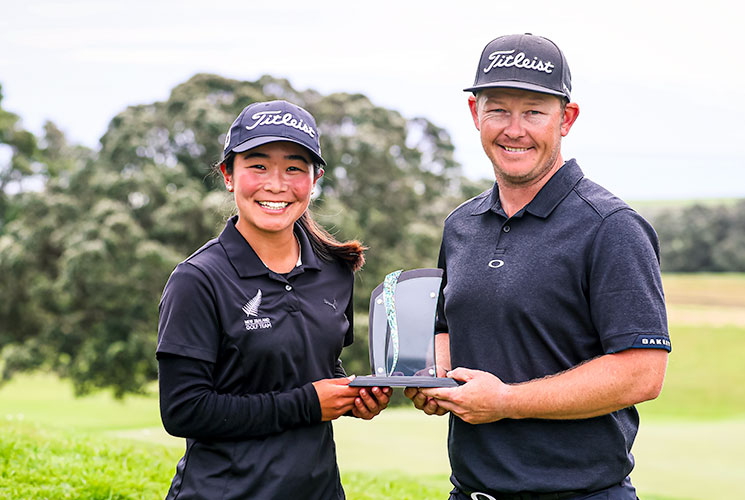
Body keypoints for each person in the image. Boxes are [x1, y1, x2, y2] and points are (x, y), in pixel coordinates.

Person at [405, 34, 671, 500]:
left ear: (565, 119)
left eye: (533, 111)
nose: (514, 128)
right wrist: (436, 378)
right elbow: (446, 326)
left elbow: (642, 373)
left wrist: (505, 401)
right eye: (498, 109)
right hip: (470, 492)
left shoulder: (611, 227)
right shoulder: (460, 225)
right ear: (475, 115)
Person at [156, 100, 392, 499]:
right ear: (229, 175)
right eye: (258, 165)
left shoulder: (334, 271)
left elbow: (316, 365)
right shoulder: (197, 280)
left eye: (295, 168)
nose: (277, 184)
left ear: (314, 180)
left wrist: (353, 396)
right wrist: (308, 404)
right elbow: (184, 410)